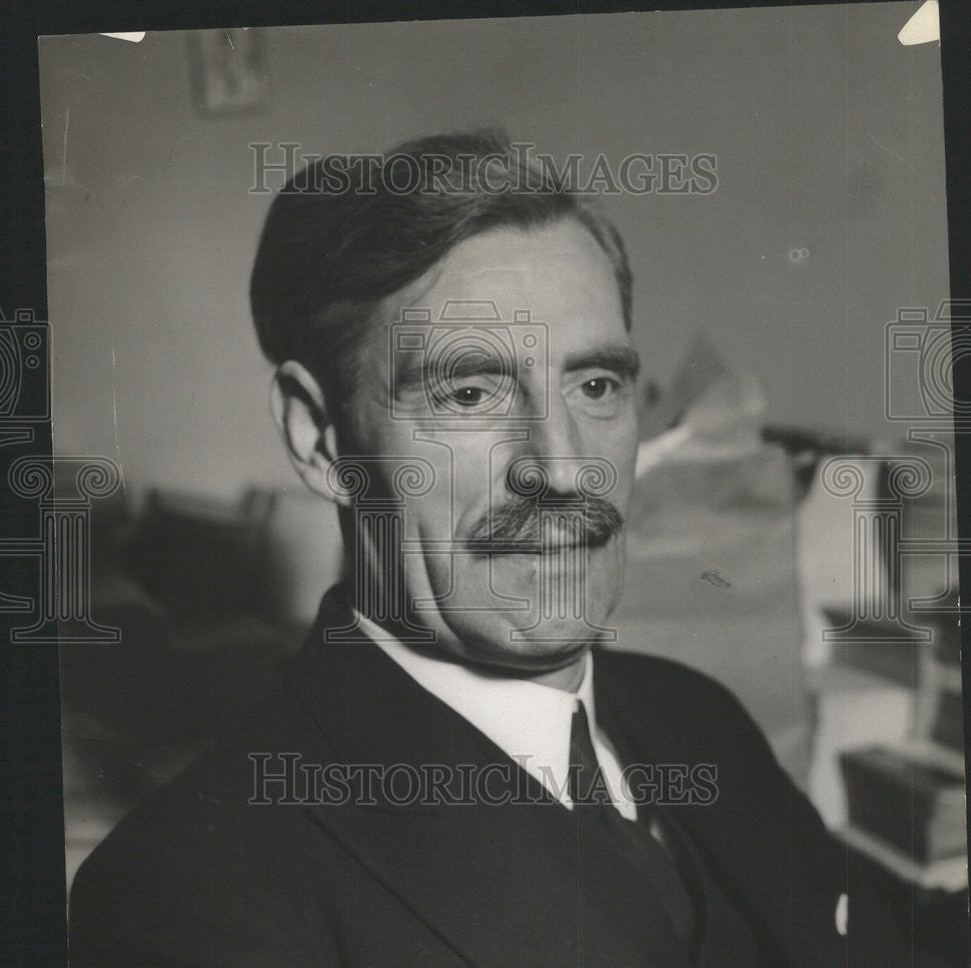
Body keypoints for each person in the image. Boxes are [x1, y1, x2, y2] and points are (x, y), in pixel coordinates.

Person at [68, 131, 903, 967]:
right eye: (469, 393)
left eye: (597, 385)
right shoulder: (185, 893)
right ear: (322, 439)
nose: (565, 466)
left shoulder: (697, 716)